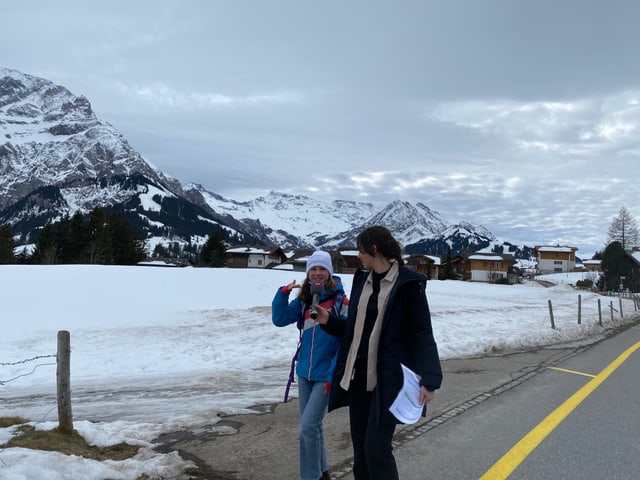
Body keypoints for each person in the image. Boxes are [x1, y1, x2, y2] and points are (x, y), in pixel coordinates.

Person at [315, 226, 442, 479]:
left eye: (361, 251)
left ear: (374, 249)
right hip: (358, 378)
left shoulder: (409, 284)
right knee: (361, 451)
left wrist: (431, 378)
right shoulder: (362, 279)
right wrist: (329, 321)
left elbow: (422, 333)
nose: (358, 257)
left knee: (377, 449)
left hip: (388, 381)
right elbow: (355, 329)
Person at [272, 250, 349, 480]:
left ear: (329, 272)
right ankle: (323, 473)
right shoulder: (304, 301)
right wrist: (282, 293)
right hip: (305, 372)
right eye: (312, 269)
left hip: (326, 375)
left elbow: (348, 338)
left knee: (307, 427)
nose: (317, 273)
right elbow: (279, 319)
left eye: (321, 269)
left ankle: (310, 477)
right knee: (312, 428)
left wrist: (332, 375)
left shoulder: (341, 302)